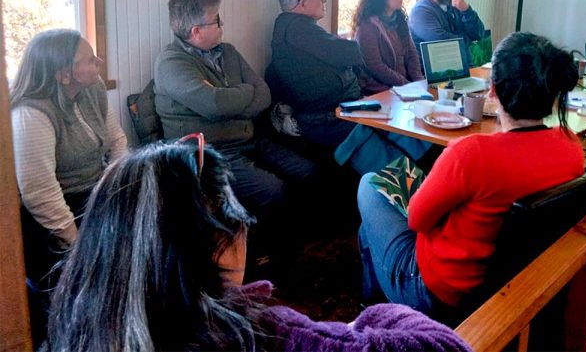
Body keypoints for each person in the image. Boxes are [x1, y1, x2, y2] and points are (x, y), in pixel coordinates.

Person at [45, 139, 472, 352]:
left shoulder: (73, 327)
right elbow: (446, 347)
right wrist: (375, 316)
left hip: (253, 140)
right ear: (220, 242)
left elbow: (255, 95)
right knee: (369, 185)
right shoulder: (263, 333)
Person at [357, 32, 583, 315]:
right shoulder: (571, 146)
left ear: (492, 90)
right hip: (511, 282)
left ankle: (380, 314)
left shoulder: (472, 153)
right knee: (371, 226)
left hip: (439, 291)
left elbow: (417, 219)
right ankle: (378, 311)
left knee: (368, 186)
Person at [154, 0, 315, 220]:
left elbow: (263, 94)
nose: (222, 24)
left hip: (248, 138)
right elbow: (215, 105)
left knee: (307, 171)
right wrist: (244, 92)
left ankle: (304, 236)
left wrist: (232, 102)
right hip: (207, 153)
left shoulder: (228, 51)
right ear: (196, 31)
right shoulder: (171, 63)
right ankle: (264, 251)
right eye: (216, 20)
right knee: (272, 190)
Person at [10, 29, 127, 343]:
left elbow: (116, 141)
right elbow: (40, 193)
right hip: (55, 216)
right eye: (89, 59)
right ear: (64, 74)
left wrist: (123, 189)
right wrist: (77, 245)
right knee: (90, 279)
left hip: (96, 191)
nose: (98, 62)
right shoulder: (30, 114)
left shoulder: (92, 88)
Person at [265, 0, 364, 147]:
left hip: (332, 110)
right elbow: (351, 52)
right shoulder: (298, 28)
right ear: (303, 2)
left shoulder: (292, 27)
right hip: (327, 118)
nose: (325, 0)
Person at [353, 0, 424, 95]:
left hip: (405, 90)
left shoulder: (400, 21)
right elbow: (376, 67)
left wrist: (419, 83)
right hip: (381, 92)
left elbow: (412, 55)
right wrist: (407, 86)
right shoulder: (367, 28)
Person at [409, 0, 486, 64]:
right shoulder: (420, 12)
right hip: (435, 75)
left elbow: (479, 34)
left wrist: (467, 11)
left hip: (463, 69)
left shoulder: (455, 5)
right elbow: (445, 43)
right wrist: (469, 39)